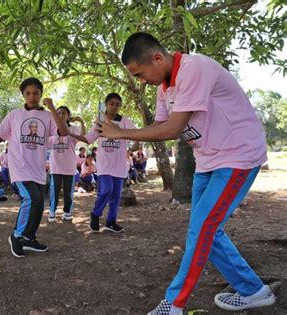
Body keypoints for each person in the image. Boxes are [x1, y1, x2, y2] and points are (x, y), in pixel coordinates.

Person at [97, 32, 275, 314]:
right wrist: (121, 135)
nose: (142, 82)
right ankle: (253, 290)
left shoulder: (194, 69)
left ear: (157, 58)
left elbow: (172, 129)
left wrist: (121, 133)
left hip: (238, 155)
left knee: (202, 228)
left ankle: (174, 304)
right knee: (204, 230)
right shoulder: (163, 88)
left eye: (140, 74)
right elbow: (159, 126)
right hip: (207, 160)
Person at [0, 77, 69, 258]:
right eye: (28, 93)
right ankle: (17, 236)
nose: (32, 96)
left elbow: (63, 132)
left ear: (41, 94)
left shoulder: (48, 116)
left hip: (38, 170)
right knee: (31, 198)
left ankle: (29, 238)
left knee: (39, 203)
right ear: (23, 95)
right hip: (20, 168)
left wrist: (52, 108)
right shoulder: (15, 115)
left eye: (36, 93)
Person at [73, 93, 137, 233]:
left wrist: (133, 147)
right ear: (106, 105)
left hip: (119, 164)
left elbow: (135, 135)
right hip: (105, 165)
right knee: (106, 190)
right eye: (111, 103)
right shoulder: (99, 122)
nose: (114, 106)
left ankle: (111, 222)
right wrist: (71, 134)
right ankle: (95, 214)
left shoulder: (125, 121)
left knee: (116, 195)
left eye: (117, 104)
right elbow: (89, 139)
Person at [48, 106, 85, 222]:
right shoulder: (51, 129)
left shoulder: (73, 129)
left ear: (68, 116)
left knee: (69, 191)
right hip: (56, 166)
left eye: (64, 113)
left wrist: (82, 122)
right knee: (55, 190)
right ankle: (52, 211)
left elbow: (83, 137)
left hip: (69, 165)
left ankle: (67, 211)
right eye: (58, 112)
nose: (61, 114)